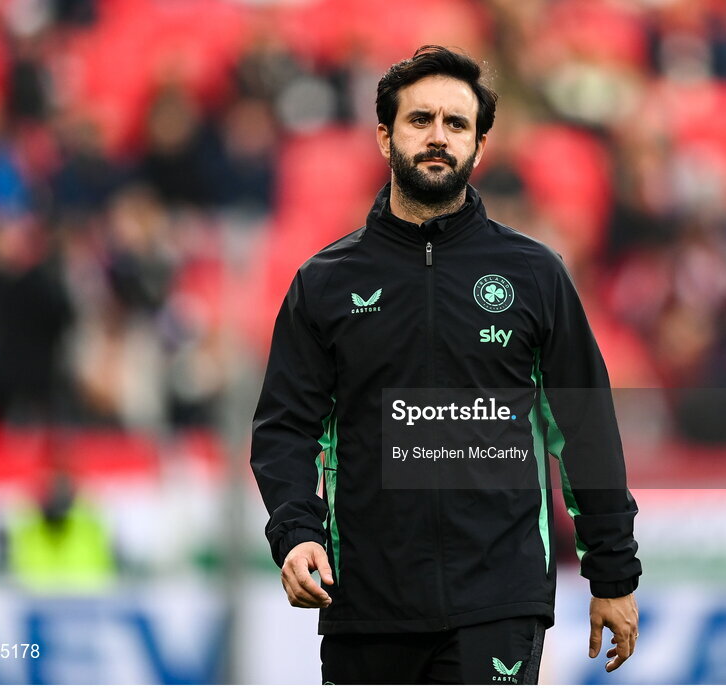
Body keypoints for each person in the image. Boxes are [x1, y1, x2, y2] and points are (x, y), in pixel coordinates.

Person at [250, 45, 641, 685]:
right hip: (366, 605)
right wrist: (295, 533)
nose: (439, 137)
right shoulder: (324, 284)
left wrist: (614, 574)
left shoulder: (534, 274)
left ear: (479, 146)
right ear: (385, 135)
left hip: (499, 599)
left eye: (456, 125)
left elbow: (587, 428)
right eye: (420, 120)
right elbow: (284, 429)